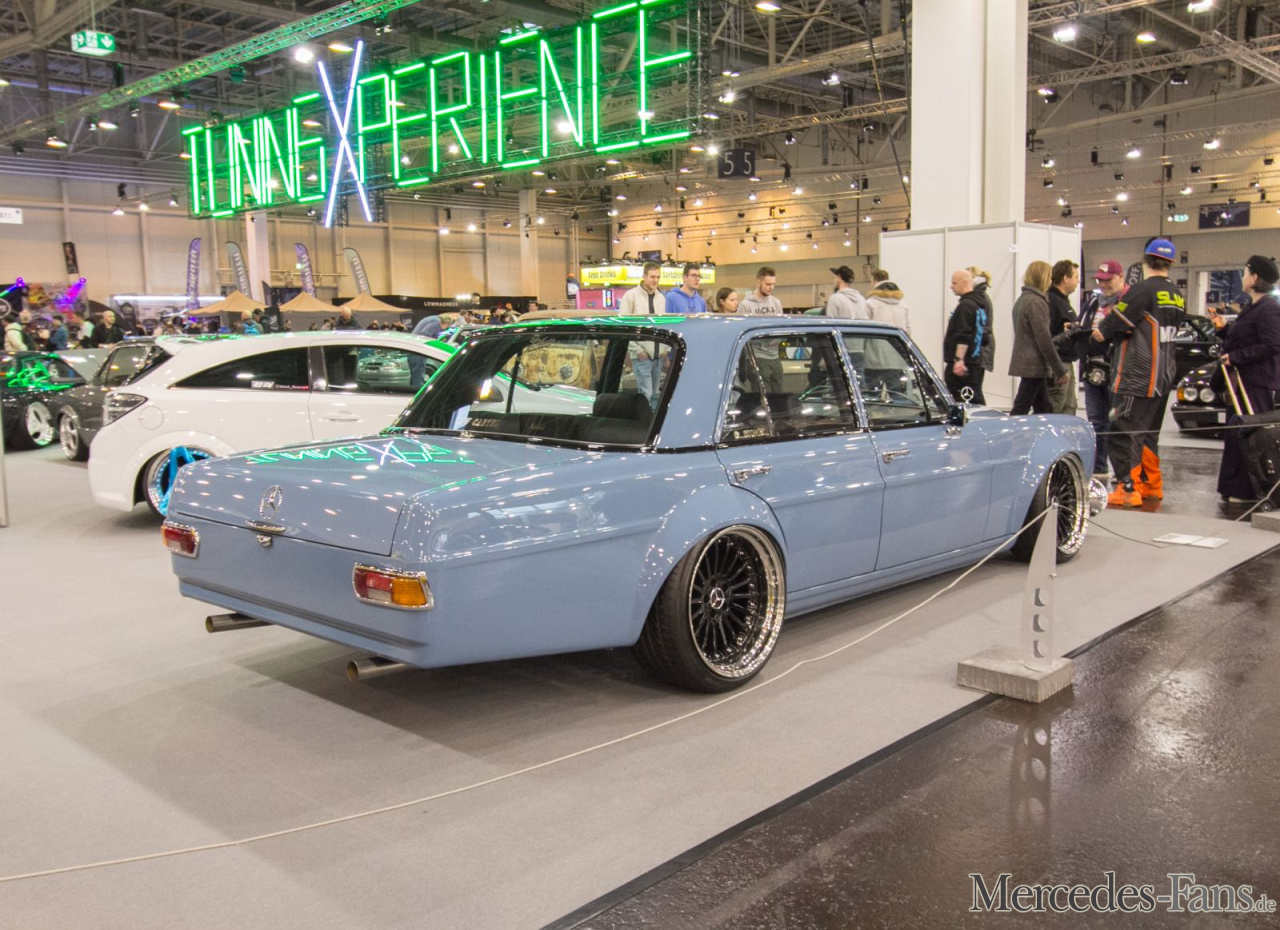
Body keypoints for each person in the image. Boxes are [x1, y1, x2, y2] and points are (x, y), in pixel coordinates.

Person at [1099, 238, 1186, 507]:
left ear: (1144, 260)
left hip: (1137, 374)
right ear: (1170, 263)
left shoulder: (1142, 290)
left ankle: (1127, 487)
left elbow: (1114, 324)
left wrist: (1100, 331)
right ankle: (1150, 484)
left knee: (1121, 429)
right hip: (1163, 375)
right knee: (1148, 433)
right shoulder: (1176, 294)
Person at [1212, 255, 1280, 503]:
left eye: (1245, 273)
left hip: (1255, 384)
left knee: (1250, 437)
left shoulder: (1269, 309)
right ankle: (1235, 487)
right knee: (1236, 434)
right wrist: (1224, 330)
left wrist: (1236, 357)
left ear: (1255, 278)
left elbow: (1272, 344)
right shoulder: (1253, 307)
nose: (1242, 277)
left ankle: (1249, 489)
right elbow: (1247, 338)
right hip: (1241, 383)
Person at [1008, 261, 1070, 415]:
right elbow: (1044, 340)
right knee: (1021, 409)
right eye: (1049, 277)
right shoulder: (1036, 302)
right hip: (1034, 366)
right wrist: (1059, 369)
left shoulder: (1022, 300)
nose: (1051, 281)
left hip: (1029, 364)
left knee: (1044, 409)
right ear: (1044, 278)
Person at [618, 261, 667, 407]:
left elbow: (664, 325)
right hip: (642, 355)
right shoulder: (631, 296)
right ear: (644, 276)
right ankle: (645, 420)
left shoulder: (661, 298)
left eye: (658, 277)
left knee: (656, 396)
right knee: (646, 395)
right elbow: (624, 326)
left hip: (658, 355)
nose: (655, 280)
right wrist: (637, 350)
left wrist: (666, 349)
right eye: (652, 277)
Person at [942, 269, 992, 404]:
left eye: (954, 283)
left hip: (965, 364)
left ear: (964, 283)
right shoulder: (979, 304)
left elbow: (964, 335)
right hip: (974, 361)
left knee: (965, 400)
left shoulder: (966, 306)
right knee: (974, 396)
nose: (951, 286)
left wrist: (959, 360)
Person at [738, 267, 784, 391]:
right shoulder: (745, 305)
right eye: (768, 284)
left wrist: (779, 339)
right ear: (758, 282)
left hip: (774, 356)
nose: (771, 287)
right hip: (756, 356)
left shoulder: (776, 303)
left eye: (773, 284)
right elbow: (741, 334)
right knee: (763, 396)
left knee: (779, 396)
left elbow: (782, 327)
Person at [1046, 260, 1081, 416]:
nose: (1078, 281)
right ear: (1066, 278)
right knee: (1056, 406)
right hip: (1057, 363)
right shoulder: (1051, 301)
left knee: (1069, 407)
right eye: (1076, 277)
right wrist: (1057, 368)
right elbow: (1046, 336)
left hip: (1067, 362)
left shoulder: (1063, 300)